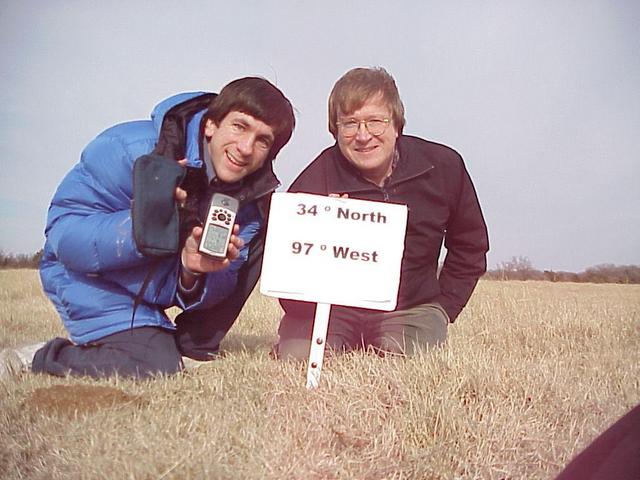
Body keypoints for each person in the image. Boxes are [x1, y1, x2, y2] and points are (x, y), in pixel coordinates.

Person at [1, 77, 295, 379]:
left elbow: (219, 285)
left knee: (268, 225)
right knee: (154, 364)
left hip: (150, 288)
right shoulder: (130, 148)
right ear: (210, 125)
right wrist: (144, 224)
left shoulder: (249, 204)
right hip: (88, 276)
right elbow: (64, 235)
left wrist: (191, 270)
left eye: (263, 140)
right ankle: (37, 357)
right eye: (239, 126)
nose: (246, 148)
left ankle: (191, 346)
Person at [275, 67, 488, 359]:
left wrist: (444, 307)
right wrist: (324, 228)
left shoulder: (444, 166)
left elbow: (470, 244)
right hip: (332, 309)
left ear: (396, 124)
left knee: (411, 366)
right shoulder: (314, 181)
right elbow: (286, 271)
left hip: (411, 306)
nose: (363, 136)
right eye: (349, 124)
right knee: (300, 360)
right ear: (335, 130)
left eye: (375, 121)